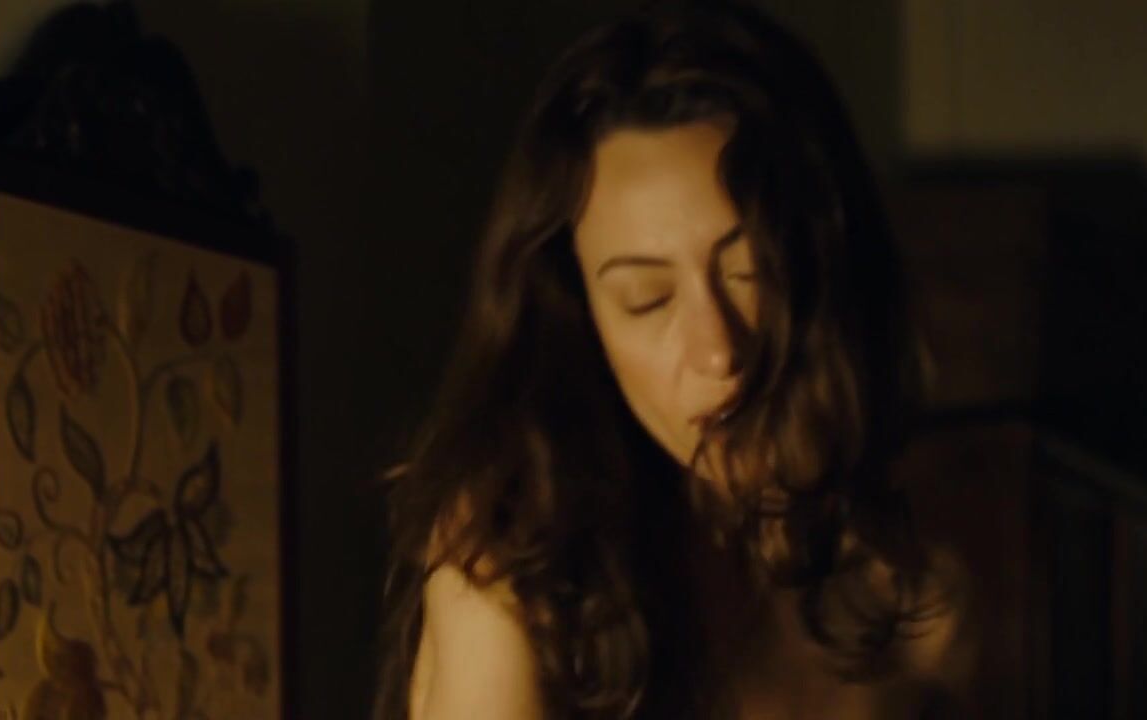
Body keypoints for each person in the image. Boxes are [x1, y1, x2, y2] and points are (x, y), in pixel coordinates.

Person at [373, 2, 969, 718]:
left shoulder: (920, 587)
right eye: (647, 300)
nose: (719, 351)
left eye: (751, 274)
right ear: (582, 321)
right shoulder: (513, 549)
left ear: (824, 264)